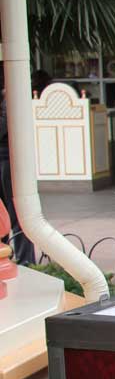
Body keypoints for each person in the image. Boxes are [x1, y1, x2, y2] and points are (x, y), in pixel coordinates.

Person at [0, 70, 35, 264]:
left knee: (17, 213)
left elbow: (4, 125)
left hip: (8, 158)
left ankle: (25, 260)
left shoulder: (10, 97)